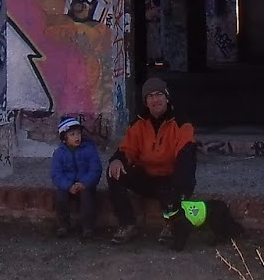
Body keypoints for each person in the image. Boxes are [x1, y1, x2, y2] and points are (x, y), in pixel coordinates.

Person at [106, 75, 196, 244]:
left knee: (179, 179)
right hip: (147, 177)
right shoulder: (139, 124)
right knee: (114, 172)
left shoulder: (182, 124)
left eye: (159, 94)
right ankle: (127, 224)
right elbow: (127, 149)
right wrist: (117, 159)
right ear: (145, 102)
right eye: (150, 96)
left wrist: (181, 190)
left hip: (170, 180)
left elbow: (186, 159)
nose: (155, 100)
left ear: (167, 97)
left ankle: (171, 223)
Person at [50, 115, 102, 239]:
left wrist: (84, 183)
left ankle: (87, 227)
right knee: (60, 197)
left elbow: (95, 169)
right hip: (67, 184)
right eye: (72, 134)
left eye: (78, 133)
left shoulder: (89, 149)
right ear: (64, 138)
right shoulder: (59, 154)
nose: (77, 137)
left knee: (87, 198)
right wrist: (68, 186)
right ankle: (63, 225)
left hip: (85, 183)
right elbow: (56, 174)